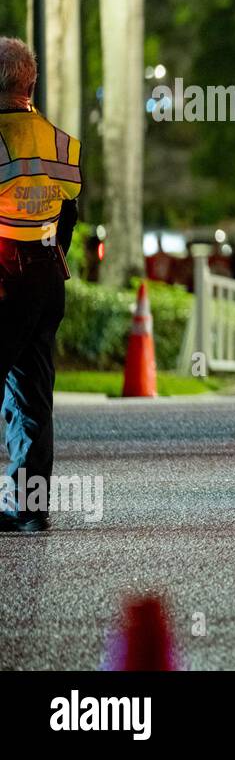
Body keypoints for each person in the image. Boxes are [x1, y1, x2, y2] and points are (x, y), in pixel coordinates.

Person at [0, 37, 81, 533]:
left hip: (4, 275)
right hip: (47, 275)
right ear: (30, 83)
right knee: (33, 396)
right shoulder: (59, 140)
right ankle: (31, 509)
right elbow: (69, 214)